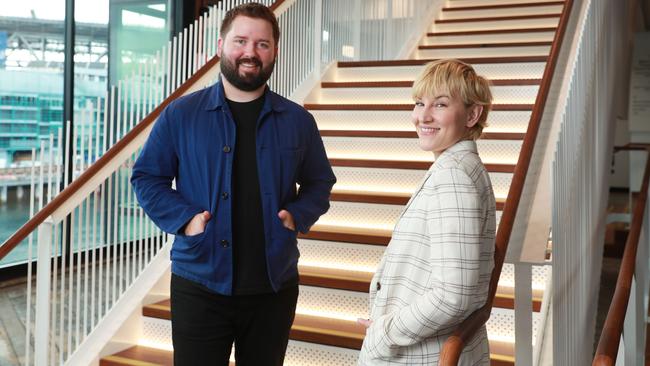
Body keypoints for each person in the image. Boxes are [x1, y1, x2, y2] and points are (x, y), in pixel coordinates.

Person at [131, 3, 336, 365]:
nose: (250, 53)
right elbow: (147, 177)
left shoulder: (298, 120)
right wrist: (186, 219)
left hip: (274, 289)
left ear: (274, 51)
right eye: (241, 41)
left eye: (262, 44)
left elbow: (320, 182)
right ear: (220, 45)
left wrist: (298, 216)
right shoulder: (181, 115)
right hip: (200, 285)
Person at [357, 59, 496, 365]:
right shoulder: (458, 167)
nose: (423, 116)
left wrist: (385, 332)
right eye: (420, 103)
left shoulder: (454, 177)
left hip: (421, 356)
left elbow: (453, 294)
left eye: (441, 104)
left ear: (472, 115)